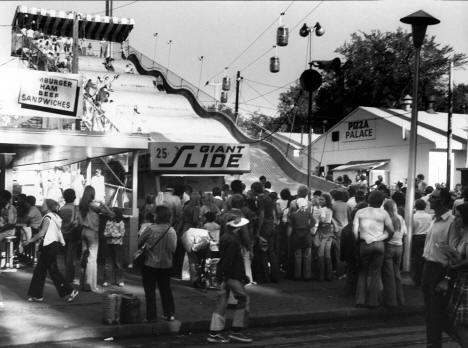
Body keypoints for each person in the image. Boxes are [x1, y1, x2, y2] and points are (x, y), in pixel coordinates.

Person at [207, 215, 253, 344]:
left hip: (226, 275)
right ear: (238, 227)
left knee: (222, 302)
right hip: (232, 276)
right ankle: (236, 330)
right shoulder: (233, 240)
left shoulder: (225, 237)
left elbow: (226, 259)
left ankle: (214, 332)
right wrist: (237, 276)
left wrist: (221, 276)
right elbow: (230, 261)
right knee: (243, 299)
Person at [23, 199, 79, 302]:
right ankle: (37, 294)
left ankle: (69, 291)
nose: (41, 206)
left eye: (43, 204)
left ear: (48, 207)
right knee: (41, 270)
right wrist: (62, 242)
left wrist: (29, 241)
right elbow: (58, 232)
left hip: (48, 246)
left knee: (51, 271)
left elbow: (41, 233)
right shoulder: (55, 217)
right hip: (53, 246)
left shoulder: (47, 217)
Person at [421, 187, 455, 348]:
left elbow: (453, 254)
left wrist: (446, 278)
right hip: (428, 268)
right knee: (430, 313)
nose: (429, 200)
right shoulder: (434, 219)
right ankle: (432, 343)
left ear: (442, 201)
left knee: (436, 314)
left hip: (440, 270)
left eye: (433, 198)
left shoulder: (452, 222)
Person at [353, 190, 394, 307]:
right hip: (379, 244)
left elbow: (355, 231)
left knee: (363, 272)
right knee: (376, 273)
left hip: (364, 243)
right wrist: (384, 238)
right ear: (381, 201)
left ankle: (360, 299)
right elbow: (391, 230)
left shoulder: (360, 212)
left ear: (369, 199)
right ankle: (373, 301)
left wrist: (357, 241)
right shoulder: (384, 213)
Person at [139, 205, 177, 322]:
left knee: (150, 291)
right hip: (166, 264)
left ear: (158, 216)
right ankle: (169, 313)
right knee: (166, 289)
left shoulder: (150, 229)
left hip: (150, 264)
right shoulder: (171, 231)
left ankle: (151, 316)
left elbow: (139, 242)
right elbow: (173, 249)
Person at [78, 185, 111, 292]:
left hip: (83, 231)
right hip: (92, 233)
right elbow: (111, 213)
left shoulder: (81, 204)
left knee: (83, 257)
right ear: (92, 194)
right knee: (91, 259)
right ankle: (90, 285)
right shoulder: (93, 206)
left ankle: (82, 284)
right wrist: (102, 202)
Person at [446, 203, 468, 346]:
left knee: (460, 323)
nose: (455, 219)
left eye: (458, 216)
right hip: (461, 279)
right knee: (457, 322)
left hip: (466, 280)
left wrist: (456, 264)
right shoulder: (462, 233)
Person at [382, 199, 406, 307]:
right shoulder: (400, 218)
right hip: (399, 247)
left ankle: (391, 301)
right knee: (397, 274)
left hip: (389, 247)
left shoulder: (386, 219)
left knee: (388, 275)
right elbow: (405, 233)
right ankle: (401, 299)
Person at [289, 197, 315, 280]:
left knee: (297, 256)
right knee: (307, 256)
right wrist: (308, 227)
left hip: (297, 235)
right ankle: (307, 275)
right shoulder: (308, 213)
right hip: (307, 235)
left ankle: (297, 275)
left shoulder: (293, 214)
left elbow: (290, 224)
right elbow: (314, 222)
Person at [59, 189, 80, 284]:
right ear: (74, 197)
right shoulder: (76, 208)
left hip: (63, 234)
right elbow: (76, 222)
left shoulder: (61, 209)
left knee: (65, 255)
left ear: (64, 198)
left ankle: (67, 275)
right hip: (72, 233)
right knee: (71, 257)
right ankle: (69, 277)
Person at [412, 199, 432, 286]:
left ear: (415, 206)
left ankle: (417, 278)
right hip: (427, 237)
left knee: (417, 258)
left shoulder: (413, 216)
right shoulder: (429, 216)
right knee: (426, 258)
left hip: (416, 237)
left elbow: (412, 229)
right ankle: (425, 278)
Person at [103, 208, 125, 287]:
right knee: (108, 262)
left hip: (118, 244)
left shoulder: (121, 223)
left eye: (112, 213)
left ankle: (119, 280)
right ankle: (106, 280)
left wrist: (112, 235)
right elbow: (105, 232)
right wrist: (107, 234)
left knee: (118, 263)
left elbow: (122, 234)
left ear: (116, 214)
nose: (110, 214)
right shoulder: (108, 221)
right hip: (109, 243)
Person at [315, 193, 335, 281]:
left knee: (320, 254)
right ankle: (329, 275)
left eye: (322, 199)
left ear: (326, 201)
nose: (320, 201)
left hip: (322, 232)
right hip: (329, 232)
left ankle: (321, 276)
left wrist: (318, 221)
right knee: (328, 254)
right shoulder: (330, 209)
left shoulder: (322, 209)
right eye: (320, 199)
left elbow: (322, 220)